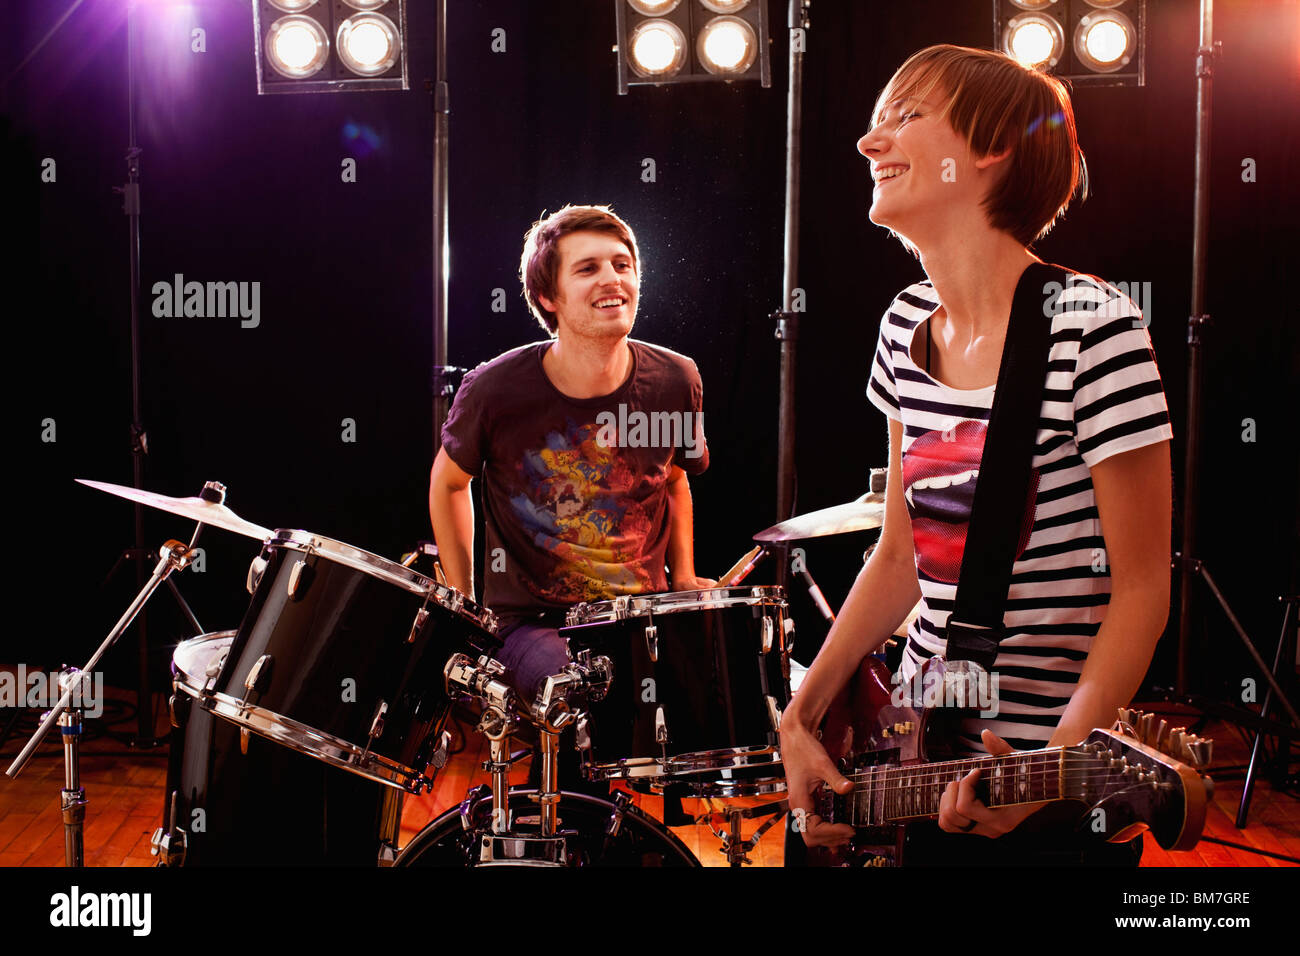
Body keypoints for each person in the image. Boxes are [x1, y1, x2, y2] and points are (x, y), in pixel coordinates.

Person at [780, 45, 1173, 865]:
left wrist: (1056, 771)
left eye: (906, 117)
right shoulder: (901, 324)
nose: (868, 142)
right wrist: (801, 717)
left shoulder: (1094, 329)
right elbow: (899, 555)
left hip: (1040, 777)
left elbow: (1141, 589)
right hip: (919, 752)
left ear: (993, 146)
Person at [429, 204, 713, 704]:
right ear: (547, 296)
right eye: (588, 268)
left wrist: (684, 576)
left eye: (622, 265)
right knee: (585, 691)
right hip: (532, 624)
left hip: (639, 615)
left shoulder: (676, 379)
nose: (613, 279)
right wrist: (465, 602)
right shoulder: (495, 389)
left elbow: (675, 481)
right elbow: (449, 483)